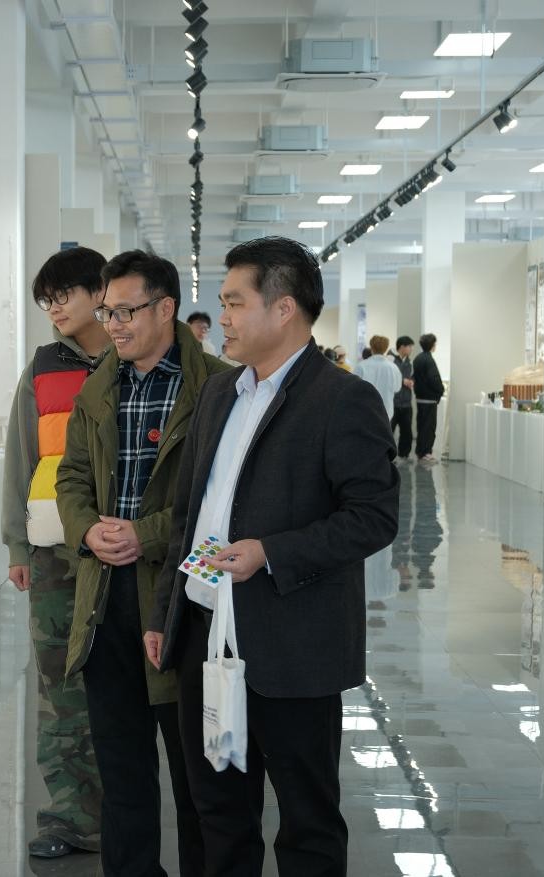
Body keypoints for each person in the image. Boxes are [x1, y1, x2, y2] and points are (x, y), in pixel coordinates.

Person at [145, 236, 399, 877]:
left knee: (307, 823)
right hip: (206, 636)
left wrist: (272, 552)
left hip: (292, 645)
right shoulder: (219, 394)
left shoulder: (341, 399)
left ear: (284, 309)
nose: (222, 317)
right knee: (218, 815)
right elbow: (189, 515)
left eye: (235, 303)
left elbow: (373, 516)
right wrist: (166, 611)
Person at [56, 250, 230, 875]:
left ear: (165, 308)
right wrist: (87, 530)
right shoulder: (98, 387)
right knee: (122, 772)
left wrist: (146, 535)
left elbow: (222, 502)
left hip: (181, 603)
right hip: (105, 602)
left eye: (126, 311)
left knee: (196, 777)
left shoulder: (218, 388)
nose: (113, 325)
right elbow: (71, 478)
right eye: (107, 312)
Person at [2, 246, 108, 858]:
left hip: (123, 547)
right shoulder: (42, 368)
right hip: (53, 552)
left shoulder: (138, 360)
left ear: (100, 291)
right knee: (58, 685)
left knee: (125, 682)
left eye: (64, 295)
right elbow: (20, 458)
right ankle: (70, 816)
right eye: (47, 300)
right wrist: (16, 543)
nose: (55, 309)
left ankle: (124, 809)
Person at [354, 335, 403, 422]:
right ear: (386, 348)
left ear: (371, 347)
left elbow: (355, 389)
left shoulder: (361, 366)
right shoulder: (393, 368)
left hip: (365, 411)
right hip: (386, 412)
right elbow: (397, 388)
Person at [412, 333, 444, 463]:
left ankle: (420, 451)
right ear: (432, 345)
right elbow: (434, 378)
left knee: (421, 426)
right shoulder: (429, 360)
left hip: (420, 397)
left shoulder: (418, 358)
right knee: (429, 427)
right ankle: (426, 452)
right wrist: (440, 390)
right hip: (429, 399)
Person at [389, 336, 416, 460]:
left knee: (407, 432)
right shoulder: (390, 360)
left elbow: (413, 376)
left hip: (406, 403)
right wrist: (402, 381)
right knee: (389, 430)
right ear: (402, 347)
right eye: (409, 347)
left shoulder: (410, 362)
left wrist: (412, 381)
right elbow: (388, 377)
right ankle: (388, 455)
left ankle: (404, 454)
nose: (411, 349)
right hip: (393, 402)